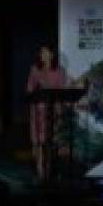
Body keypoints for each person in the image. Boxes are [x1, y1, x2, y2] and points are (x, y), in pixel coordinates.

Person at [25, 45, 68, 181]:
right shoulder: (35, 69)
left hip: (54, 111)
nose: (42, 54)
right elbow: (29, 89)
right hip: (38, 111)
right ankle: (40, 172)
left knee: (52, 142)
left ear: (52, 54)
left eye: (45, 52)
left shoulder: (59, 70)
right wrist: (34, 92)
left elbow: (62, 90)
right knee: (40, 142)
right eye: (41, 52)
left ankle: (51, 170)